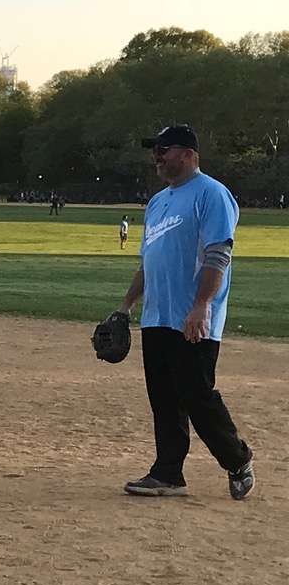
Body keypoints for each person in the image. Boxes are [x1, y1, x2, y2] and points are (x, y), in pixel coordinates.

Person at [114, 124, 254, 500]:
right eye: (155, 150)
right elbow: (149, 261)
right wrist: (126, 307)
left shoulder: (212, 194)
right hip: (157, 315)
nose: (157, 156)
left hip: (193, 318)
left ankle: (237, 459)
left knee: (197, 396)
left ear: (189, 155)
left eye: (165, 149)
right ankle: (168, 473)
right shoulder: (159, 202)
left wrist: (201, 305)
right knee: (163, 398)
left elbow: (217, 254)